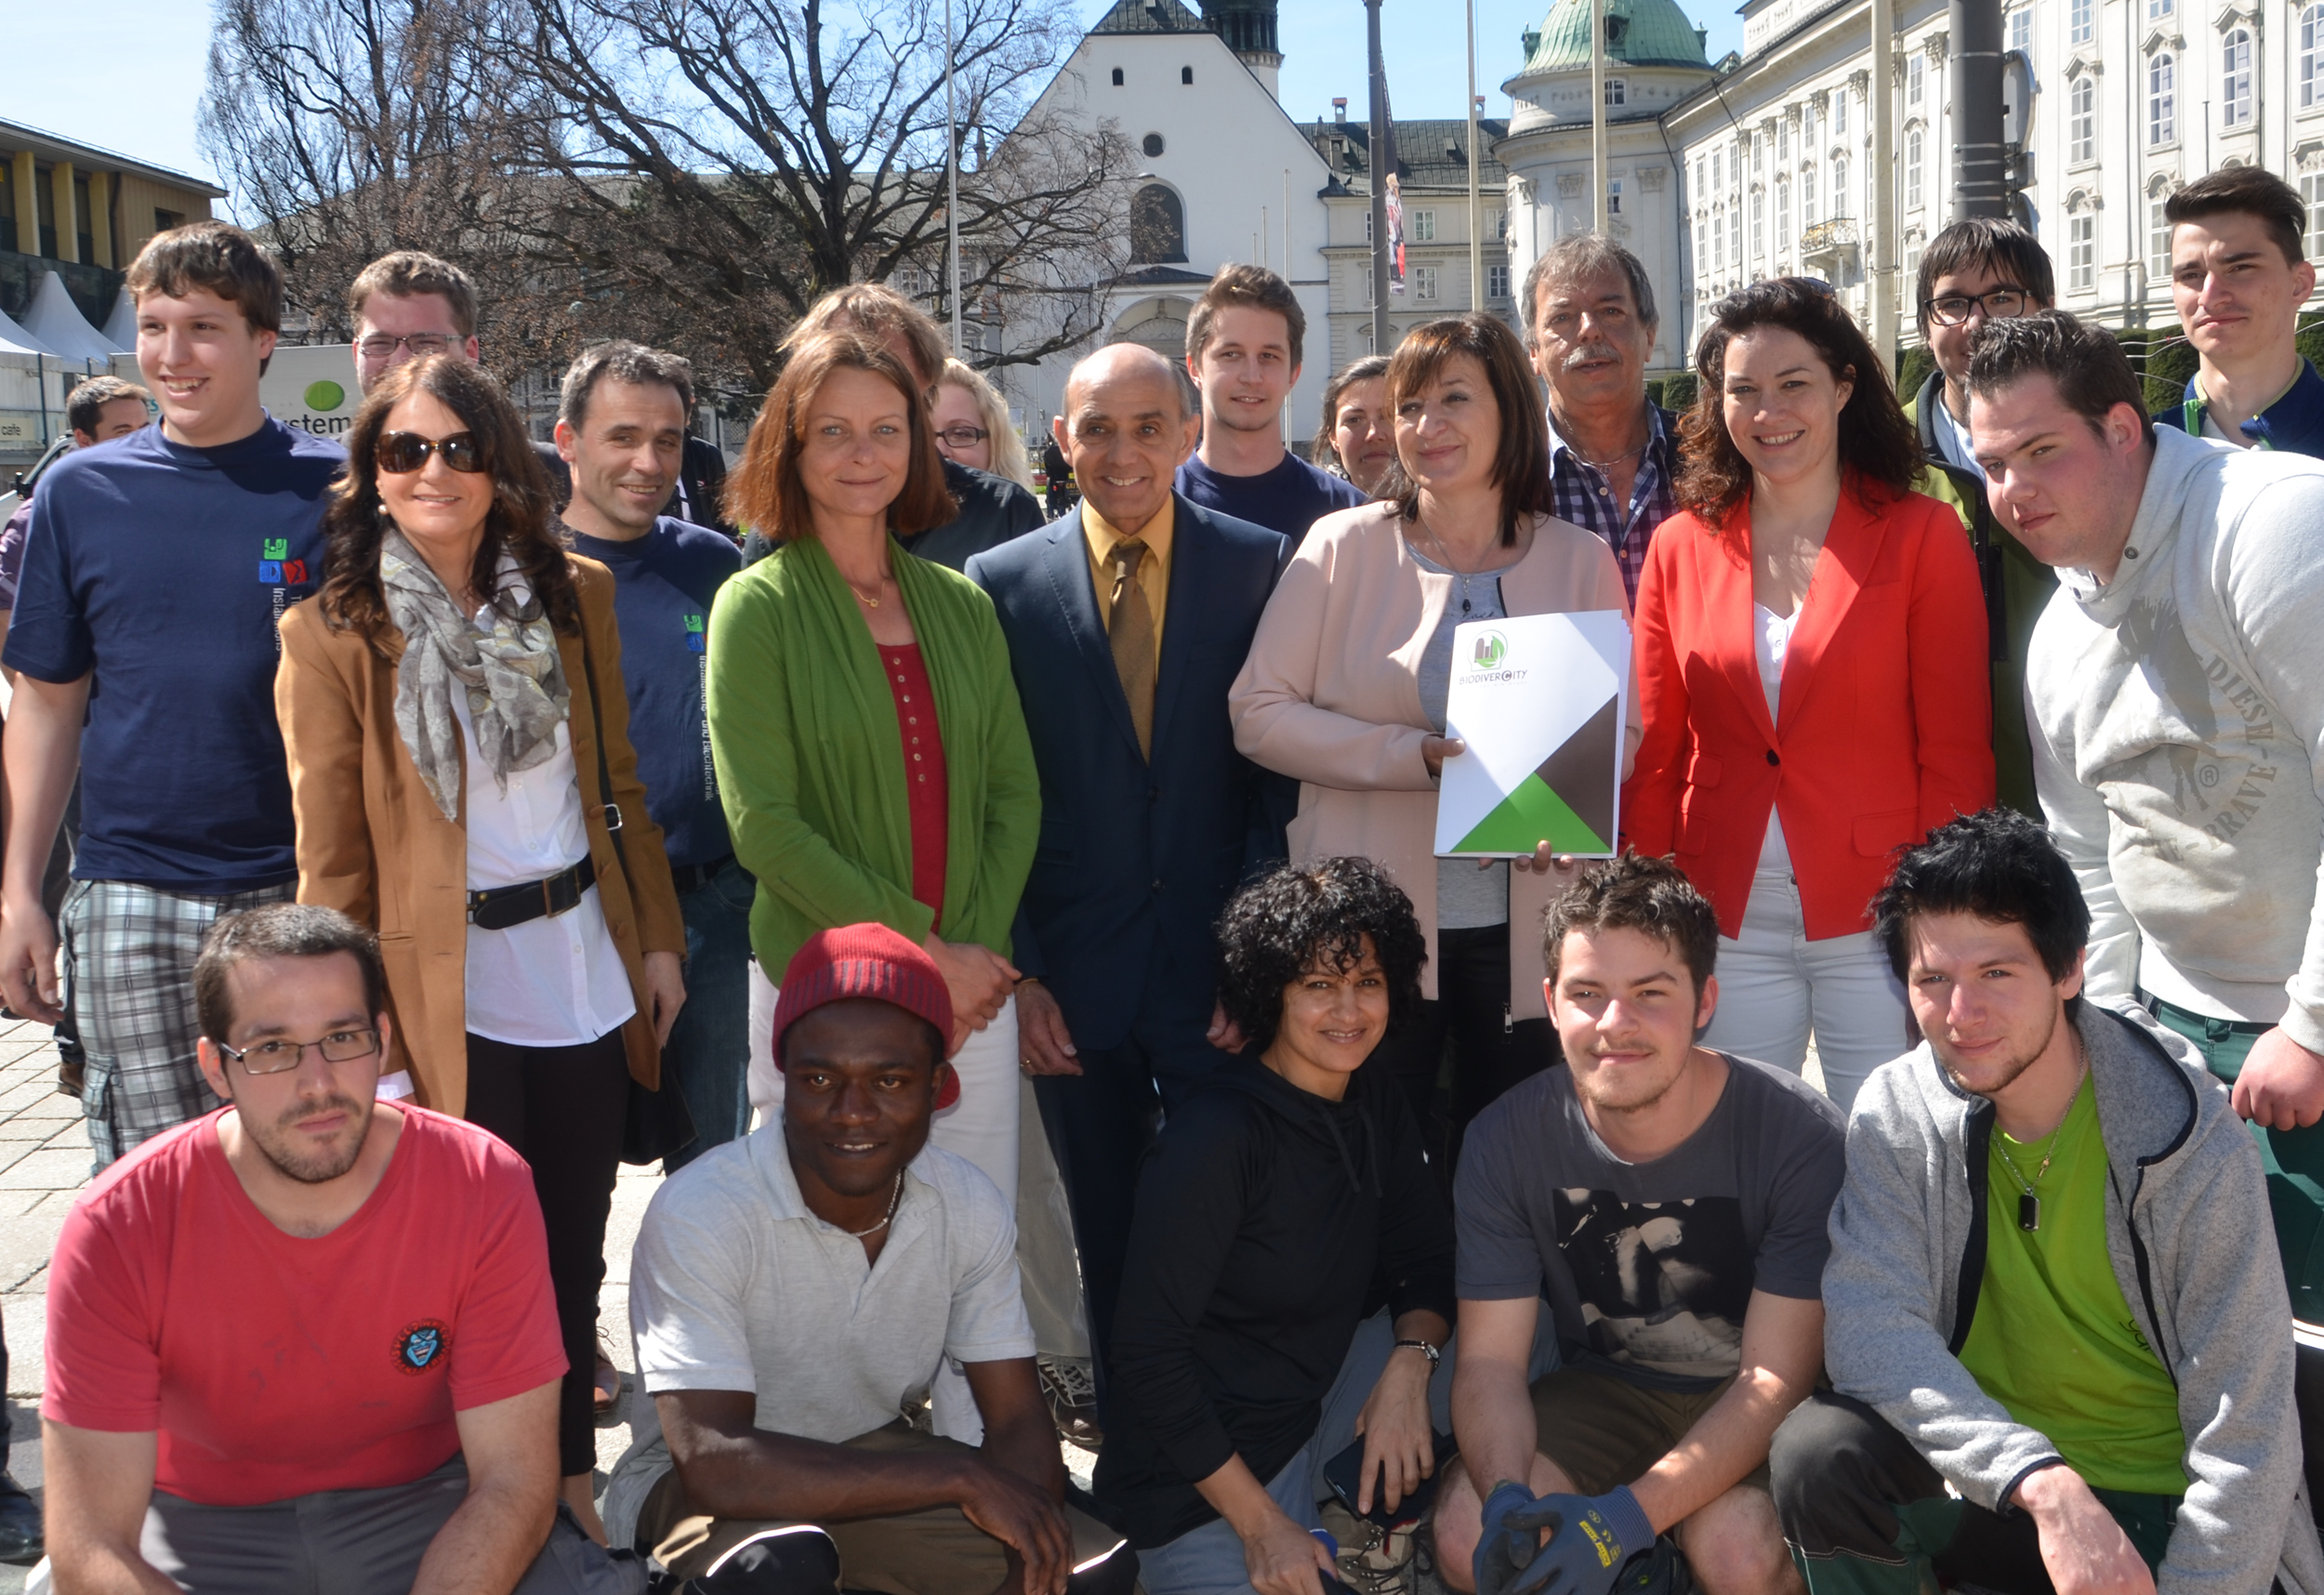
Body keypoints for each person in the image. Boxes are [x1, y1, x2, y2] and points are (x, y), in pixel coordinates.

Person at [275, 352, 688, 1539]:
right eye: (405, 450)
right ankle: (461, 1491)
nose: (435, 471)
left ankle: (563, 1481)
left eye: (461, 447)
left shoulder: (576, 595)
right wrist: (362, 1038)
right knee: (462, 1261)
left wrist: (654, 939)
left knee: (569, 1247)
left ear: (504, 465)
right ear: (372, 474)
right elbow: (333, 863)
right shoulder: (330, 635)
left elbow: (617, 785)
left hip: (581, 968)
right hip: (437, 988)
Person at [1769, 809, 2324, 1595]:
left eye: (1997, 973)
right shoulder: (1897, 1110)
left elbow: (2250, 1437)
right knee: (1820, 1456)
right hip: (2005, 1490)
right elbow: (1868, 1329)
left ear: (2069, 971)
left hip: (2176, 1520)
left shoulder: (2189, 1138)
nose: (1962, 1015)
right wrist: (2041, 1481)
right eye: (1933, 980)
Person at [40, 903, 642, 1595]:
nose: (317, 1082)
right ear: (215, 1066)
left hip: (435, 1506)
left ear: (383, 1040)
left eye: (343, 1037)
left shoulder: (481, 1183)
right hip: (195, 1526)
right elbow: (91, 1540)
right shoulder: (119, 1222)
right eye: (271, 1049)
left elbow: (514, 1478)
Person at [1966, 308, 2324, 1330]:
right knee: (2200, 1348)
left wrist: (2309, 1026)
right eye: (1992, 464)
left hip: (2298, 1033)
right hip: (2173, 1038)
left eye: (2042, 452)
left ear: (2122, 430)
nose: (2013, 493)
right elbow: (2085, 853)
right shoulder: (2057, 634)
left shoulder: (2271, 523)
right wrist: (2117, 1041)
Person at [706, 330, 1038, 1416]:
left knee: (967, 1229)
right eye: (833, 431)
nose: (862, 454)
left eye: (886, 430)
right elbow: (767, 827)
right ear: (789, 449)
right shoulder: (753, 606)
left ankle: (970, 1472)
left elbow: (1010, 797)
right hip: (821, 985)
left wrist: (969, 957)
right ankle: (809, 1460)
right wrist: (924, 951)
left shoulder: (963, 605)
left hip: (967, 993)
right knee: (807, 1233)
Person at [604, 922, 1136, 1595]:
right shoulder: (704, 1209)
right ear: (784, 1077)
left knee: (1088, 1572)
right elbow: (715, 1461)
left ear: (938, 1085)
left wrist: (1023, 1558)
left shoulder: (965, 1204)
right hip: (698, 1489)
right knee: (774, 1573)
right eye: (821, 1077)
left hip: (874, 1451)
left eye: (890, 1080)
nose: (852, 1112)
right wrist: (960, 1475)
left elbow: (1017, 1420)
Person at [966, 343, 1290, 1407]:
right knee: (1102, 1228)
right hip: (1074, 979)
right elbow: (993, 798)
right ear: (1060, 439)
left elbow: (1268, 793)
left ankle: (1233, 1429)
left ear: (1188, 433)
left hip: (1215, 972)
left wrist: (1256, 970)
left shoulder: (1258, 564)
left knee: (1233, 1219)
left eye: (1149, 425)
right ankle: (1137, 1449)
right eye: (1095, 427)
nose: (1122, 451)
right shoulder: (999, 586)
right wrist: (1023, 971)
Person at [1232, 312, 1633, 1162]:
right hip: (1369, 924)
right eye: (1409, 407)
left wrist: (1567, 807)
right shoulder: (1340, 547)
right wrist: (1407, 759)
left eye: (1454, 398)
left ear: (1511, 414)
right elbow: (1258, 713)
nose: (1424, 425)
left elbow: (1619, 732)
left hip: (1530, 917)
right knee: (1373, 1150)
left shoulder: (1580, 558)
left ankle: (1501, 1298)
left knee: (1521, 1147)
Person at [0, 222, 340, 1169]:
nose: (172, 355)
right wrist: (19, 893)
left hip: (294, 885)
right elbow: (46, 703)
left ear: (263, 339)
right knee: (153, 1184)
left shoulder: (335, 488)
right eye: (154, 327)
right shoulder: (80, 491)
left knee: (298, 1166)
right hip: (128, 894)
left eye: (203, 327)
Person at [1624, 278, 1993, 1112]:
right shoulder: (1680, 546)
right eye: (1743, 390)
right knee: (1743, 1148)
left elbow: (1957, 748)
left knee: (1898, 1146)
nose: (1768, 411)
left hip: (1882, 908)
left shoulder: (1923, 535)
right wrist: (1646, 899)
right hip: (1724, 906)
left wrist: (1942, 911)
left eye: (1794, 384)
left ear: (1844, 386)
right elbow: (1658, 749)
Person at [1435, 851, 1842, 1595]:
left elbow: (1774, 1376)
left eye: (1650, 993)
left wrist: (1621, 1520)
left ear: (1705, 999)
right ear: (1551, 1001)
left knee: (1737, 1555)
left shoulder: (1797, 1135)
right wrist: (1505, 1499)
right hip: (1608, 1391)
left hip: (1752, 1399)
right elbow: (1491, 1364)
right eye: (1588, 993)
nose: (1614, 1025)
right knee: (1470, 1537)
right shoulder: (1504, 1139)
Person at [1100, 858, 1453, 1595]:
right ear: (1271, 993)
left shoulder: (1375, 1097)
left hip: (1317, 1402)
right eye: (1318, 986)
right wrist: (1262, 1528)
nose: (1348, 1011)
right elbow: (1146, 1354)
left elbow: (1424, 1259)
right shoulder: (1217, 1135)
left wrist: (1409, 1367)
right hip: (1200, 1473)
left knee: (1520, 1333)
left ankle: (1404, 1524)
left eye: (1368, 982)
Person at [553, 341, 749, 1172]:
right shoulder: (523, 574)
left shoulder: (714, 565)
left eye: (667, 440)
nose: (648, 462)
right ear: (567, 441)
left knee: (711, 1177)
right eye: (622, 436)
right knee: (573, 1167)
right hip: (579, 918)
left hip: (709, 904)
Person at [737, 285, 1044, 571]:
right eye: (842, 369)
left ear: (927, 390)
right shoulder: (776, 535)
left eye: (893, 375)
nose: (870, 389)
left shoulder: (1003, 515)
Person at [1525, 234, 1683, 609]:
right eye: (1562, 318)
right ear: (1533, 352)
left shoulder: (1714, 457)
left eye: (1611, 311)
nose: (1589, 330)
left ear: (1649, 335)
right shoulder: (1502, 480)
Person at [1175, 265, 1367, 547]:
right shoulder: (1155, 504)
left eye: (1268, 355)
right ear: (1195, 368)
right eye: (1231, 354)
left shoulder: (1349, 513)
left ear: (1293, 373)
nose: (1252, 376)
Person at [2154, 166, 2324, 455]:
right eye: (2191, 275)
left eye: (2240, 268)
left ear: (2299, 285)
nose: (2210, 297)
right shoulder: (2140, 457)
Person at [0, 374, 150, 644]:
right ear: (85, 439)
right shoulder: (41, 515)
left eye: (145, 429)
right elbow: (6, 608)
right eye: (123, 432)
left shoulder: (162, 500)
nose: (141, 442)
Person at [935, 358, 1037, 491]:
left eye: (960, 434)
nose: (939, 449)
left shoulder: (1018, 509)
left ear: (994, 445)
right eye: (922, 435)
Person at [1317, 354, 1394, 497]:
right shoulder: (1311, 511)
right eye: (1354, 420)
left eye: (1389, 416)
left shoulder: (1446, 513)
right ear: (1333, 436)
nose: (1374, 434)